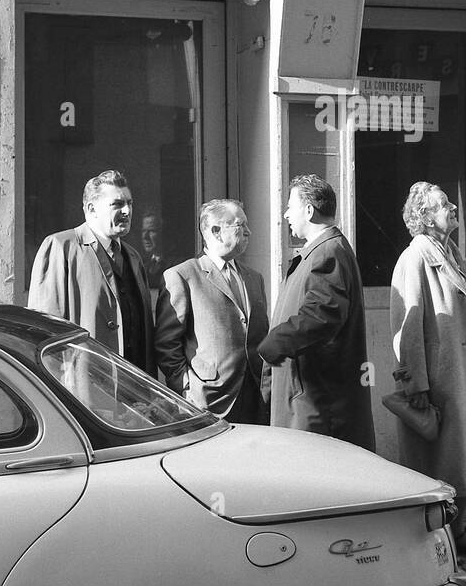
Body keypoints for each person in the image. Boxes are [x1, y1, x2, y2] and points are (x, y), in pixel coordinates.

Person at [389, 183, 466, 560]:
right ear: (425, 217)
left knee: (464, 459)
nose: (453, 206)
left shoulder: (454, 255)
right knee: (442, 462)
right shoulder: (414, 259)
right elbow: (406, 329)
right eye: (444, 204)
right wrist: (415, 383)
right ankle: (439, 541)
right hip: (443, 380)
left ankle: (458, 531)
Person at [258, 175, 375, 450]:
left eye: (291, 207)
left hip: (316, 405)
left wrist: (275, 343)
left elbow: (322, 316)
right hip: (309, 400)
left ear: (309, 210)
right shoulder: (322, 251)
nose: (286, 214)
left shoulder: (327, 253)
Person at [28, 169, 156, 373]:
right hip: (83, 386)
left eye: (129, 203)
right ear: (91, 209)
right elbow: (45, 331)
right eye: (117, 204)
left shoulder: (133, 257)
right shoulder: (61, 247)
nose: (127, 211)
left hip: (134, 388)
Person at [154, 200, 267, 423]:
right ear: (215, 231)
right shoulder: (182, 276)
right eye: (240, 225)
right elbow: (167, 344)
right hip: (208, 403)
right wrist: (188, 389)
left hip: (255, 399)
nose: (248, 231)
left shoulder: (254, 279)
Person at [139, 211, 166, 296]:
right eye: (143, 231)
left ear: (162, 233)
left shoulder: (176, 264)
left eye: (151, 231)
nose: (145, 237)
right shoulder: (141, 264)